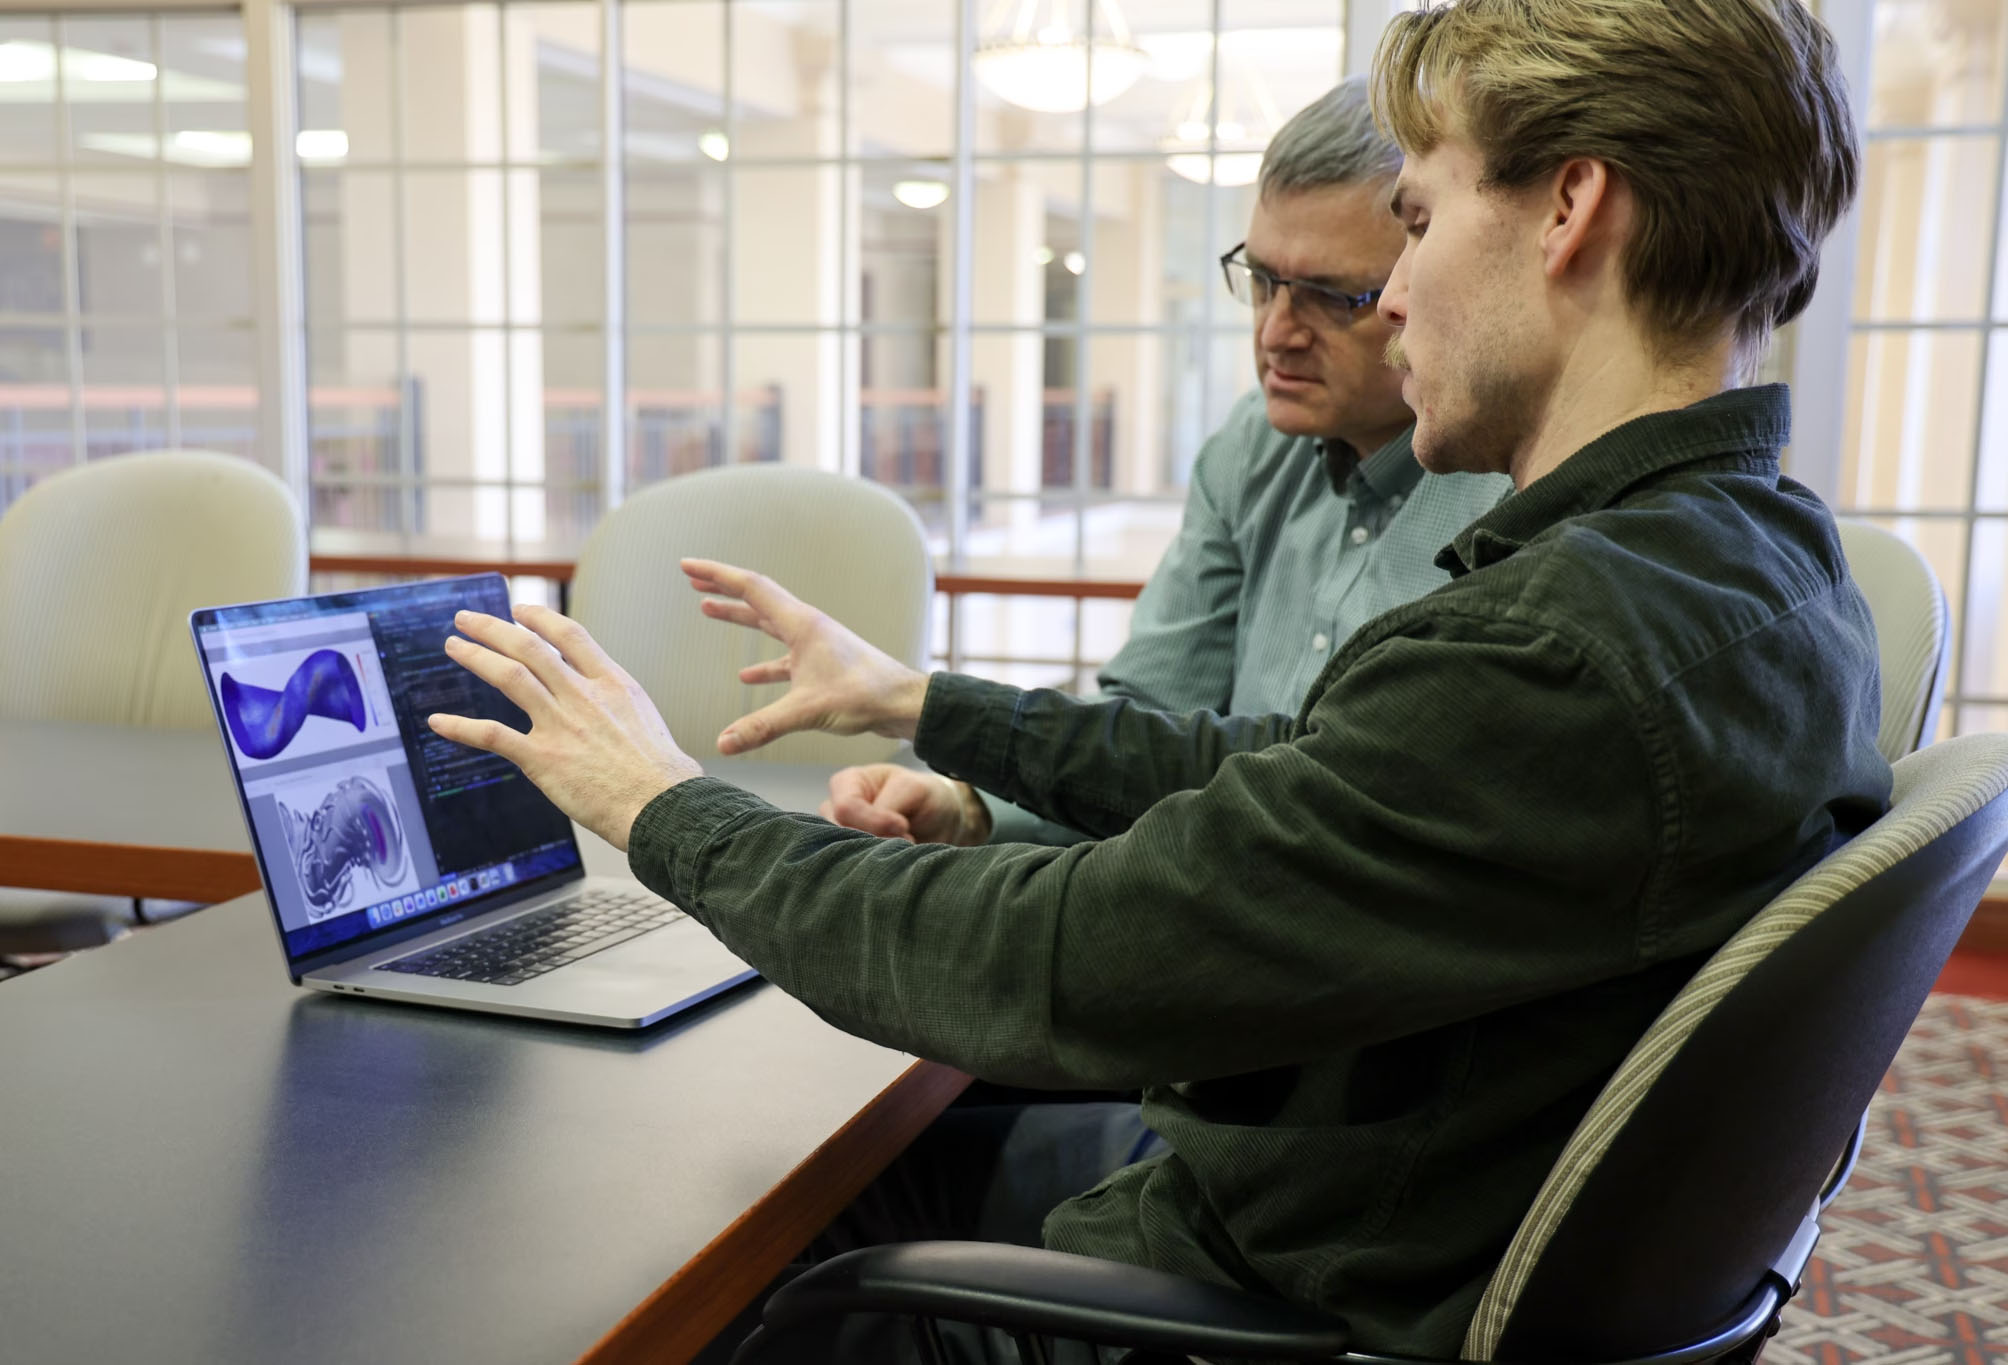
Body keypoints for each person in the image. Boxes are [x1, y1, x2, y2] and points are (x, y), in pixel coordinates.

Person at [426, 0, 1889, 1353]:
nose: (1391, 304)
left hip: (1259, 1290)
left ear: (1569, 209)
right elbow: (1298, 781)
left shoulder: (1558, 651)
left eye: (1418, 224)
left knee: (731, 1257)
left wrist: (660, 804)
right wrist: (939, 710)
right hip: (1359, 1210)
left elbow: (1051, 958)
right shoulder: (1768, 566)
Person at [823, 78, 1511, 850]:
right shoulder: (1254, 444)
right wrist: (969, 804)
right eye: (1261, 280)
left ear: (1418, 282)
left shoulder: (1516, 488)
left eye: (1326, 296)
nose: (1275, 332)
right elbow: (1151, 710)